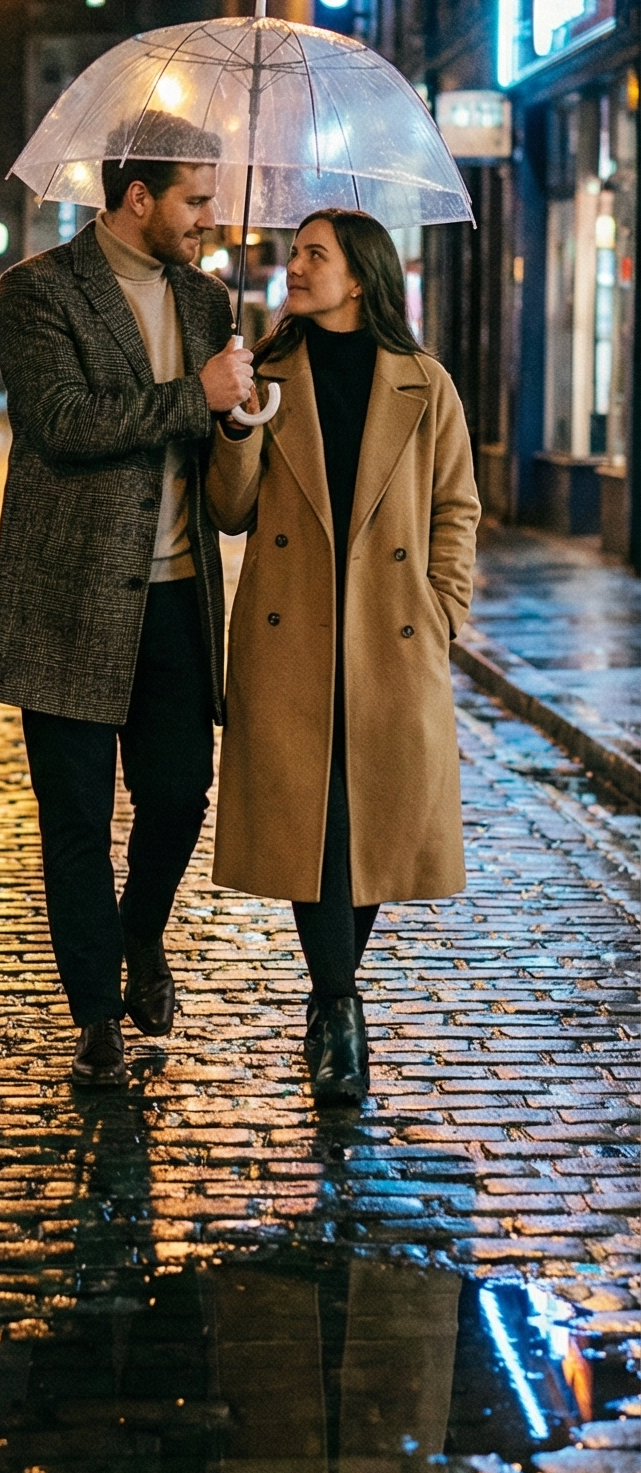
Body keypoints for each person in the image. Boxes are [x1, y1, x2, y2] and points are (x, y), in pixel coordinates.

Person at [0, 115, 257, 1087]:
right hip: (66, 602)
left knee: (180, 793)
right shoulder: (37, 292)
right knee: (73, 818)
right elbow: (59, 423)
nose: (207, 217)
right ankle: (95, 1017)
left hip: (177, 601)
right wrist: (195, 393)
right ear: (137, 199)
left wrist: (234, 412)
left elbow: (217, 456)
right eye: (193, 199)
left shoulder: (205, 299)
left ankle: (142, 933)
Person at [207, 210, 480, 1105]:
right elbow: (230, 510)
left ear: (359, 276)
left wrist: (442, 609)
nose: (295, 265)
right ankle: (339, 1008)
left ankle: (332, 1009)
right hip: (291, 638)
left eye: (313, 255)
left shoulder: (424, 384)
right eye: (295, 252)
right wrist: (239, 424)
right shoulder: (268, 374)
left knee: (366, 826)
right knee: (311, 822)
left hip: (391, 636)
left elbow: (456, 507)